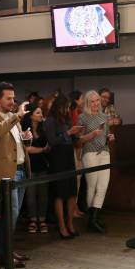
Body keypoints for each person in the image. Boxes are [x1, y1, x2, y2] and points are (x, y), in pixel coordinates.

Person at [0, 82, 32, 268]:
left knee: (15, 215)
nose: (12, 101)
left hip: (20, 170)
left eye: (13, 97)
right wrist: (17, 117)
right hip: (6, 174)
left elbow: (14, 145)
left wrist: (25, 138)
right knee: (8, 217)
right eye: (8, 98)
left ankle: (9, 250)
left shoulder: (12, 117)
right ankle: (3, 255)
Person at [44, 95, 83, 239]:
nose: (67, 110)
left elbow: (74, 140)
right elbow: (52, 141)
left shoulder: (66, 119)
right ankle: (61, 226)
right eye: (65, 107)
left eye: (68, 107)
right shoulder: (50, 121)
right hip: (57, 158)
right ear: (58, 106)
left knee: (72, 191)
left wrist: (83, 134)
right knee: (59, 193)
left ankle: (70, 223)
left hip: (68, 156)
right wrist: (68, 132)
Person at [78, 91, 115, 233]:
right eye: (92, 101)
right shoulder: (82, 117)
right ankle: (91, 219)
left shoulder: (105, 116)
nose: (95, 103)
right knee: (92, 187)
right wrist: (92, 134)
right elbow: (79, 139)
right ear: (87, 103)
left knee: (102, 187)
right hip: (90, 154)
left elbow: (106, 136)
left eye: (97, 101)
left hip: (104, 153)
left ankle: (94, 218)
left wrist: (110, 137)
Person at [21, 104, 49, 234]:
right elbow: (26, 149)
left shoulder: (44, 129)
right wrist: (42, 149)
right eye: (38, 113)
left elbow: (49, 144)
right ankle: (32, 220)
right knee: (31, 195)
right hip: (30, 164)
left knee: (43, 194)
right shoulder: (25, 129)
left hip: (43, 164)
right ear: (31, 115)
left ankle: (42, 220)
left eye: (41, 113)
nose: (41, 115)